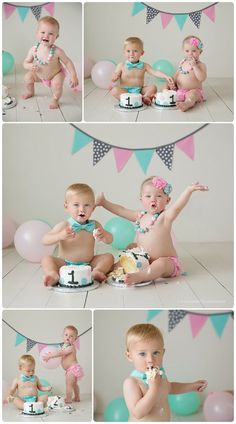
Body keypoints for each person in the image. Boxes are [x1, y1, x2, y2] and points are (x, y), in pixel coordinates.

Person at [96, 176, 208, 285]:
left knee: (161, 264)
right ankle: (110, 270)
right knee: (130, 248)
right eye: (148, 196)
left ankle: (141, 276)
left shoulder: (164, 218)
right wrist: (104, 203)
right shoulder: (140, 216)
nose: (153, 199)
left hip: (167, 262)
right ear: (141, 199)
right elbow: (121, 210)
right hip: (143, 260)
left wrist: (189, 190)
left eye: (159, 196)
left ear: (167, 200)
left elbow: (177, 207)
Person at [124, 323, 208, 421]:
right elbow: (138, 413)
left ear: (163, 353)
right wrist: (154, 388)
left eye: (155, 353)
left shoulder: (159, 375)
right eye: (142, 354)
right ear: (129, 356)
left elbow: (170, 387)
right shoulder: (132, 382)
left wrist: (193, 386)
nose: (150, 359)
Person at [41, 183, 114, 286]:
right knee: (46, 259)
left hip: (89, 263)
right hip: (64, 264)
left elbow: (110, 239)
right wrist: (60, 236)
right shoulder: (64, 225)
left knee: (109, 257)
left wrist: (104, 235)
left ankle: (97, 271)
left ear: (93, 208)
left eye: (87, 205)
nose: (82, 209)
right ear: (66, 206)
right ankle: (53, 274)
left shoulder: (95, 225)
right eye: (76, 205)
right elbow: (44, 240)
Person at [22, 16, 78, 109]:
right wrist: (29, 66)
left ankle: (55, 99)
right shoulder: (33, 50)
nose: (46, 36)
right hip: (39, 75)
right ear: (37, 33)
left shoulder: (57, 51)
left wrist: (73, 76)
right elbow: (25, 63)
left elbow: (67, 62)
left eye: (51, 33)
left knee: (57, 84)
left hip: (55, 74)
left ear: (57, 37)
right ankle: (30, 92)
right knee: (27, 77)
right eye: (43, 32)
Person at [111, 37, 174, 105]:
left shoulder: (144, 65)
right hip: (125, 91)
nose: (131, 53)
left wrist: (166, 76)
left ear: (142, 53)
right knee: (114, 90)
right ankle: (130, 99)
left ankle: (145, 97)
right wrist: (115, 77)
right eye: (128, 51)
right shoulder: (121, 65)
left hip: (140, 90)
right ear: (124, 52)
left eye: (135, 51)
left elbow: (155, 72)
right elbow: (114, 77)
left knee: (153, 87)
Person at [166, 36, 207, 112]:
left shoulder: (200, 65)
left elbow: (202, 78)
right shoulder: (182, 63)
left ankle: (187, 103)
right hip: (180, 90)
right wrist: (172, 82)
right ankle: (164, 94)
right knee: (167, 82)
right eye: (187, 51)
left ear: (200, 52)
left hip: (194, 91)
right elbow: (177, 75)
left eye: (194, 51)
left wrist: (194, 66)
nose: (190, 53)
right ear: (183, 51)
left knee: (192, 95)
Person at [43, 325, 83, 403]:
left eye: (71, 336)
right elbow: (60, 354)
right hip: (72, 369)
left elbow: (61, 353)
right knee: (74, 384)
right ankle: (77, 397)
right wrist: (54, 355)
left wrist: (50, 356)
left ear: (75, 339)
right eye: (66, 335)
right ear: (62, 336)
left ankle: (68, 398)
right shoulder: (64, 346)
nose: (68, 337)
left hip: (72, 368)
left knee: (68, 384)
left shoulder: (70, 347)